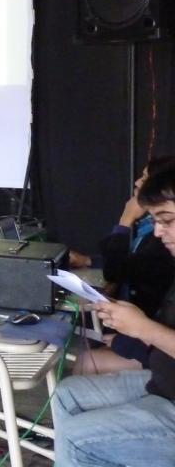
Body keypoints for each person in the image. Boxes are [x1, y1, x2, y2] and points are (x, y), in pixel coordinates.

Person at [52, 165, 175, 466]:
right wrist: (135, 324)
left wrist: (142, 328)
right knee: (67, 394)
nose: (158, 231)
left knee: (76, 439)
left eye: (167, 221)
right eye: (156, 221)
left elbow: (118, 270)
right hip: (163, 384)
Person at [73, 156, 175, 375]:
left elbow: (117, 270)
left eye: (145, 178)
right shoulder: (153, 233)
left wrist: (126, 219)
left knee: (85, 363)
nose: (138, 182)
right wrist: (88, 261)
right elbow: (135, 264)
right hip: (153, 352)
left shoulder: (162, 245)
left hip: (155, 359)